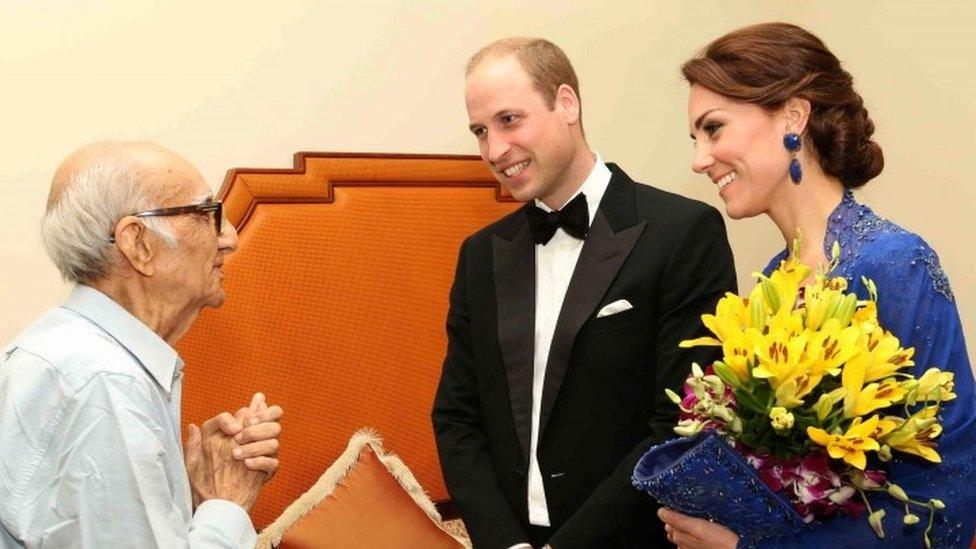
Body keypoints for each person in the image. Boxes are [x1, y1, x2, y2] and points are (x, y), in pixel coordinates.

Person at [660, 22, 976, 548]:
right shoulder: (768, 286)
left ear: (793, 115)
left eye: (713, 129)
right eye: (694, 139)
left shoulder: (897, 264)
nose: (698, 159)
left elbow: (951, 489)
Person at [432, 38, 736, 548]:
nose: (493, 150)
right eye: (480, 131)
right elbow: (457, 417)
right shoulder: (480, 254)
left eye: (510, 120)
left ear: (566, 103)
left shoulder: (682, 233)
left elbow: (683, 420)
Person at [0, 141, 285, 548]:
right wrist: (227, 503)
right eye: (207, 214)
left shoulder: (70, 350)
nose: (230, 237)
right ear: (138, 243)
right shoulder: (106, 384)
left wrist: (182, 492)